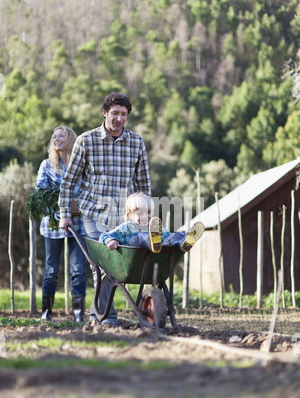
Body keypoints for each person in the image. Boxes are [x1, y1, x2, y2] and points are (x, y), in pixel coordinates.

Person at [59, 93, 151, 328]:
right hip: (95, 214)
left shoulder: (136, 142)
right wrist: (65, 214)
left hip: (125, 217)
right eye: (115, 113)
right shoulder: (86, 141)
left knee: (115, 267)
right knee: (103, 266)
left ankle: (96, 315)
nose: (119, 118)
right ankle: (107, 318)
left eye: (124, 114)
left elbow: (143, 183)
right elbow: (69, 181)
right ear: (105, 113)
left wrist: (147, 214)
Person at [36, 125, 87, 323]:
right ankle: (46, 313)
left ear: (70, 140)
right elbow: (40, 191)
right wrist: (59, 206)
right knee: (51, 269)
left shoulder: (80, 165)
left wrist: (76, 205)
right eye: (54, 136)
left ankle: (78, 315)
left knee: (77, 269)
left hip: (78, 223)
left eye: (61, 136)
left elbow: (86, 190)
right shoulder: (46, 165)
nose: (57, 139)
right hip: (53, 224)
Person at [99, 192, 205, 253]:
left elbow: (168, 237)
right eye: (139, 214)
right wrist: (110, 241)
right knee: (141, 237)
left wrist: (176, 237)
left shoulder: (155, 227)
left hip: (153, 261)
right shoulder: (126, 227)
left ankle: (184, 240)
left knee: (172, 236)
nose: (145, 216)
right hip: (135, 260)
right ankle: (152, 241)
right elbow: (104, 235)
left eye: (148, 212)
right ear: (129, 215)